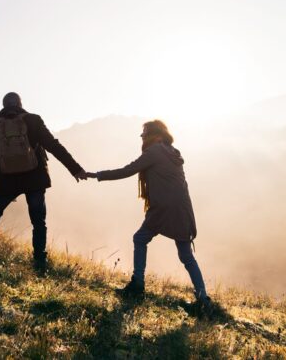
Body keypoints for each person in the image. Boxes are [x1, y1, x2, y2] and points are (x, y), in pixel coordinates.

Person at [86, 120, 209, 306]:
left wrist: (98, 175)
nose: (142, 137)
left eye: (144, 134)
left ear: (155, 134)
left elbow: (128, 170)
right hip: (182, 208)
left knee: (140, 238)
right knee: (185, 255)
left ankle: (137, 286)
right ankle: (203, 299)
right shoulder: (173, 152)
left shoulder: (155, 151)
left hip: (163, 208)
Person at [0, 92, 86, 275]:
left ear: (3, 106)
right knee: (38, 221)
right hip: (35, 179)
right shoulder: (33, 120)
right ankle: (39, 262)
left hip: (6, 181)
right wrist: (75, 169)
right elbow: (54, 146)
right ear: (20, 104)